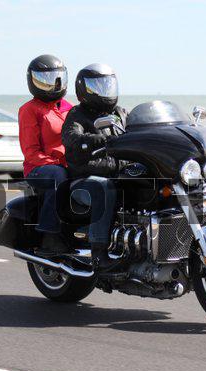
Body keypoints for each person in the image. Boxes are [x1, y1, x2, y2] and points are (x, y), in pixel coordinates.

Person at [62, 63, 128, 269]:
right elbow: (71, 136)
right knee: (103, 188)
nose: (104, 90)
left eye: (108, 84)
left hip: (117, 173)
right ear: (84, 89)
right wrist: (95, 139)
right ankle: (99, 253)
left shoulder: (121, 113)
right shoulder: (77, 114)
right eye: (98, 86)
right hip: (84, 180)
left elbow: (140, 129)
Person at [18, 54, 72, 255]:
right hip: (39, 168)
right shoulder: (30, 110)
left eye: (56, 78)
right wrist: (58, 164)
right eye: (45, 80)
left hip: (66, 164)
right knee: (59, 176)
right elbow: (31, 152)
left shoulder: (69, 108)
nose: (53, 84)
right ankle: (49, 236)